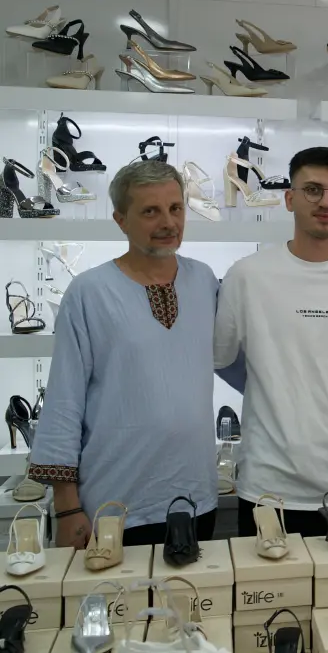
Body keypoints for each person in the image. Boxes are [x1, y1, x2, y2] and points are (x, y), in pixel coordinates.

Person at [31, 160, 219, 547]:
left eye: (175, 208)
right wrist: (66, 507)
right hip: (114, 506)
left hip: (196, 499)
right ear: (120, 220)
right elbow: (64, 402)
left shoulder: (204, 281)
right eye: (150, 211)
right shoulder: (89, 293)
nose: (168, 222)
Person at [214, 147, 328, 537]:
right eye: (313, 190)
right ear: (290, 199)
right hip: (268, 486)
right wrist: (273, 389)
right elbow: (222, 359)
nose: (326, 202)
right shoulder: (246, 276)